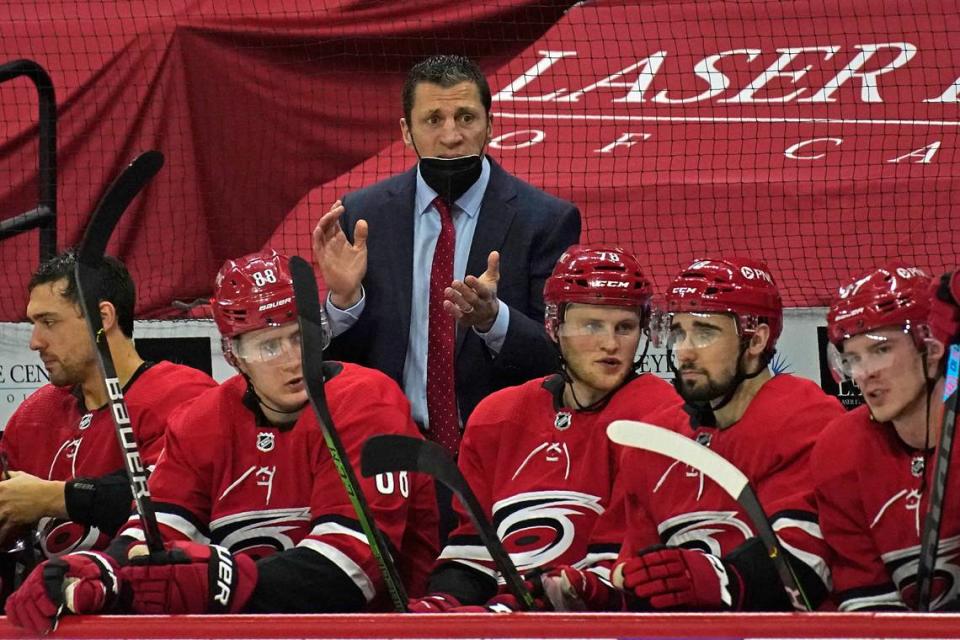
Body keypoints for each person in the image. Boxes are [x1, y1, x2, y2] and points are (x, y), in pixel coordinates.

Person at [5, 250, 438, 633]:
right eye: (268, 347)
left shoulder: (367, 402)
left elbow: (351, 574)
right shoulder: (202, 420)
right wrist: (101, 569)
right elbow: (156, 531)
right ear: (233, 355)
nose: (292, 359)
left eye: (300, 337)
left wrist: (222, 580)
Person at [312, 54, 581, 459]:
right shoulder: (364, 216)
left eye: (466, 117)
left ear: (490, 124)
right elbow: (344, 368)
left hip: (501, 451)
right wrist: (345, 303)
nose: (452, 135)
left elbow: (561, 356)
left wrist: (494, 321)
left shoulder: (545, 220)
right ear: (407, 131)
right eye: (433, 119)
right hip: (391, 447)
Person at [406, 245, 683, 611]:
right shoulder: (497, 416)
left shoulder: (658, 415)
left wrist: (507, 612)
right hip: (509, 617)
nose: (610, 344)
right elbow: (474, 551)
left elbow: (612, 567)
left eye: (625, 327)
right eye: (591, 325)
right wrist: (441, 603)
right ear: (554, 326)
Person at [605, 257, 842, 611]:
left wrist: (713, 578)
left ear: (756, 339)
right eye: (678, 332)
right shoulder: (655, 438)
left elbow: (806, 566)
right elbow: (631, 570)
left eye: (704, 332)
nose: (683, 350)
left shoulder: (806, 418)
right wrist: (603, 591)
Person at [0, 250, 216, 564]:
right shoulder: (33, 415)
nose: (35, 341)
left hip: (142, 605)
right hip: (39, 606)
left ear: (103, 318)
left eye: (49, 322)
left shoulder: (184, 397)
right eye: (34, 323)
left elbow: (172, 498)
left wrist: (49, 497)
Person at [813, 263, 960, 611]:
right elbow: (868, 605)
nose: (865, 374)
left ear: (933, 347)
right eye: (852, 358)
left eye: (881, 350)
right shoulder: (840, 450)